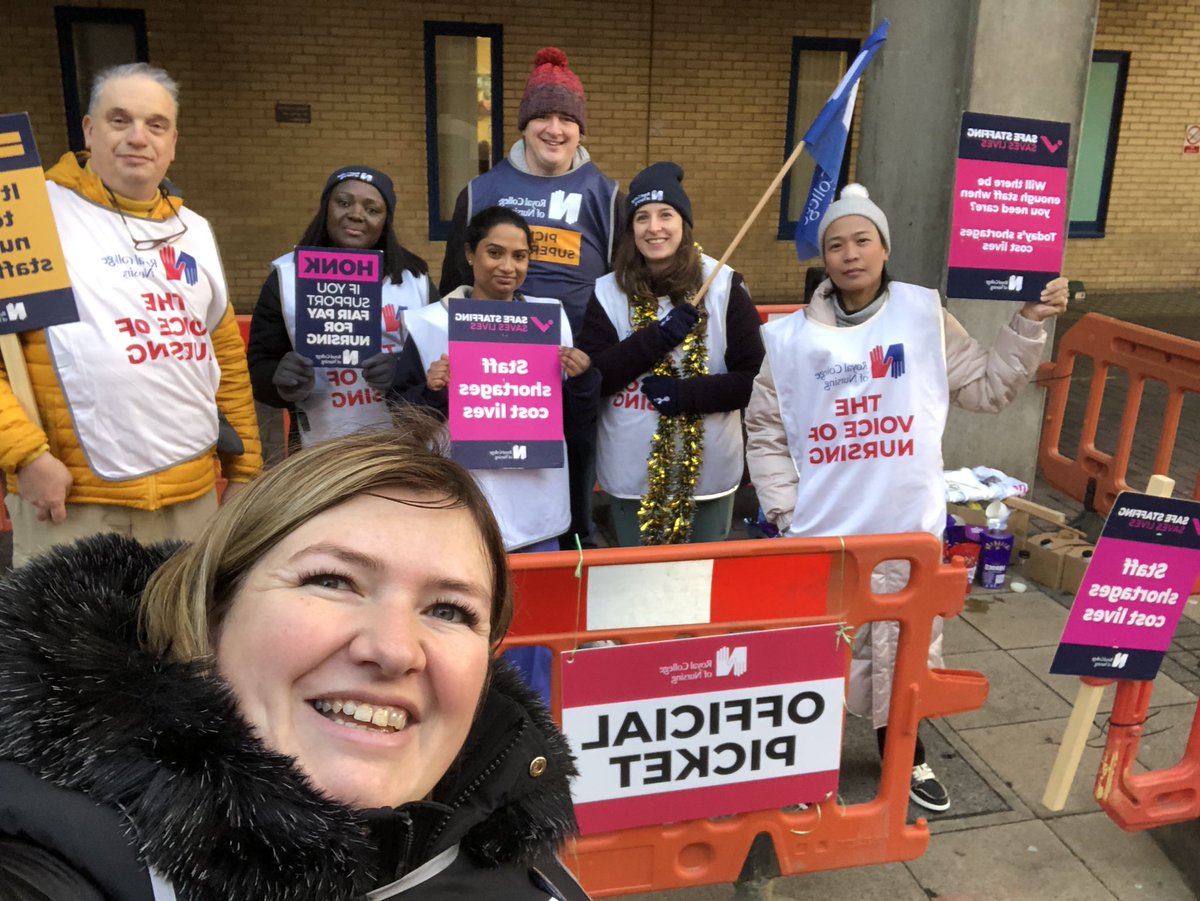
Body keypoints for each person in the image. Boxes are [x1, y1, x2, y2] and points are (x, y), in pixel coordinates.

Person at [0, 416, 589, 900]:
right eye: (333, 581)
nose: (392, 649)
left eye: (450, 611)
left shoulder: (517, 847)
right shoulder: (46, 864)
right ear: (212, 608)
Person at [745, 183, 1070, 812]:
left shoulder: (923, 315)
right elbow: (765, 426)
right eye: (836, 244)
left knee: (904, 651)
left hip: (905, 530)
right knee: (819, 652)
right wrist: (784, 507)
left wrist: (1027, 324)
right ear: (825, 257)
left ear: (884, 247)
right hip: (823, 532)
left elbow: (986, 387)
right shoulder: (787, 339)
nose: (849, 255)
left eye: (862, 240)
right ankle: (806, 767)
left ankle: (906, 754)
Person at [0, 62, 261, 567]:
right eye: (120, 120)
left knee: (179, 642)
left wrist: (246, 468)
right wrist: (26, 457)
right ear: (90, 131)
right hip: (73, 501)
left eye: (155, 124)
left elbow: (224, 355)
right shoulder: (30, 215)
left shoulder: (195, 230)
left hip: (189, 500)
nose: (138, 137)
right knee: (76, 648)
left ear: (173, 141)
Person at [439, 47, 620, 549]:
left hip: (572, 375)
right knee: (488, 500)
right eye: (542, 115)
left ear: (581, 128)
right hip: (494, 379)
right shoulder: (481, 190)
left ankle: (571, 607)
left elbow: (621, 287)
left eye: (567, 118)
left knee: (573, 494)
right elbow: (451, 283)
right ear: (523, 124)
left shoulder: (606, 195)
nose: (554, 130)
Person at [579, 162, 765, 546]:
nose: (654, 227)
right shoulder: (607, 292)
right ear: (631, 229)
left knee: (698, 592)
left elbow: (754, 381)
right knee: (637, 591)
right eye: (642, 217)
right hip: (631, 477)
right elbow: (595, 376)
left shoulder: (724, 285)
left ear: (684, 224)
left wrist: (685, 396)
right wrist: (657, 337)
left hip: (708, 475)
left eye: (666, 214)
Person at [399, 206, 598, 554]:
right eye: (495, 252)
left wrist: (582, 380)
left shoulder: (551, 322)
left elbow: (572, 420)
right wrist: (432, 393)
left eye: (520, 256)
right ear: (469, 254)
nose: (508, 267)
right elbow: (401, 417)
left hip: (536, 511)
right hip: (459, 509)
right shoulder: (428, 324)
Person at [247, 165, 435, 450]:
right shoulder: (285, 277)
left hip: (398, 446)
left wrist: (401, 372)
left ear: (386, 220)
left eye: (372, 210)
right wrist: (279, 380)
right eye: (344, 202)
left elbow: (437, 366)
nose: (356, 214)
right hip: (318, 449)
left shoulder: (415, 281)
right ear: (326, 208)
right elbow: (260, 366)